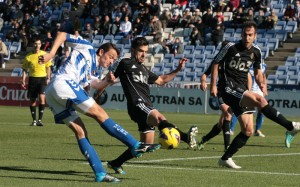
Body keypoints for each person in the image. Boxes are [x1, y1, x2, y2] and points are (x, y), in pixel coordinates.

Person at [39, 32, 161, 182]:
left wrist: (108, 81)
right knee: (100, 113)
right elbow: (62, 34)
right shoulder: (87, 46)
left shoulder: (91, 72)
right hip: (63, 82)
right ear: (101, 52)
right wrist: (51, 53)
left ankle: (100, 173)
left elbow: (96, 84)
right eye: (110, 57)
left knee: (80, 132)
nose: (111, 61)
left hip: (52, 94)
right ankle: (134, 144)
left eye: (114, 59)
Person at [210, 21, 300, 169]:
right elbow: (215, 63)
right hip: (227, 88)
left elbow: (258, 73)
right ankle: (290, 126)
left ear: (255, 36)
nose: (247, 37)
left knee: (248, 130)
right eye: (245, 34)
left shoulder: (256, 52)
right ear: (242, 34)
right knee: (260, 100)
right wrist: (213, 84)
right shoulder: (230, 47)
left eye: (250, 35)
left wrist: (262, 83)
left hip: (241, 89)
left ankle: (226, 158)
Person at [108, 37, 198, 174]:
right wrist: (99, 92)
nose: (144, 55)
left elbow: (161, 80)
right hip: (137, 105)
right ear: (133, 50)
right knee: (161, 118)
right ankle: (186, 137)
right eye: (140, 51)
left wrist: (178, 69)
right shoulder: (124, 63)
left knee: (145, 145)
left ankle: (116, 163)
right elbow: (110, 78)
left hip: (146, 105)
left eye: (146, 51)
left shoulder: (144, 69)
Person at [197, 60, 231, 152]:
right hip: (221, 91)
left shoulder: (236, 60)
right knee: (228, 114)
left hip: (234, 92)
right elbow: (204, 75)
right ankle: (227, 147)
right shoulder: (218, 61)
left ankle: (205, 139)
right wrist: (203, 81)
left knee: (221, 124)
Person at [230, 62, 268, 137]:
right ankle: (231, 129)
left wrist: (265, 88)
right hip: (249, 89)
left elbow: (264, 76)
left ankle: (257, 130)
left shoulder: (263, 64)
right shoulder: (247, 62)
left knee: (262, 110)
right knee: (241, 108)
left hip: (259, 90)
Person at [21, 37, 52, 126]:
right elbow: (24, 69)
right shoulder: (28, 56)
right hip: (32, 79)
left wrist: (48, 78)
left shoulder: (45, 54)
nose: (37, 45)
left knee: (42, 98)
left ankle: (40, 120)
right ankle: (34, 120)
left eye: (38, 44)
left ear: (40, 45)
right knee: (32, 100)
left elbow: (48, 67)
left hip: (42, 79)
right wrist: (23, 80)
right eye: (35, 44)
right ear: (33, 44)